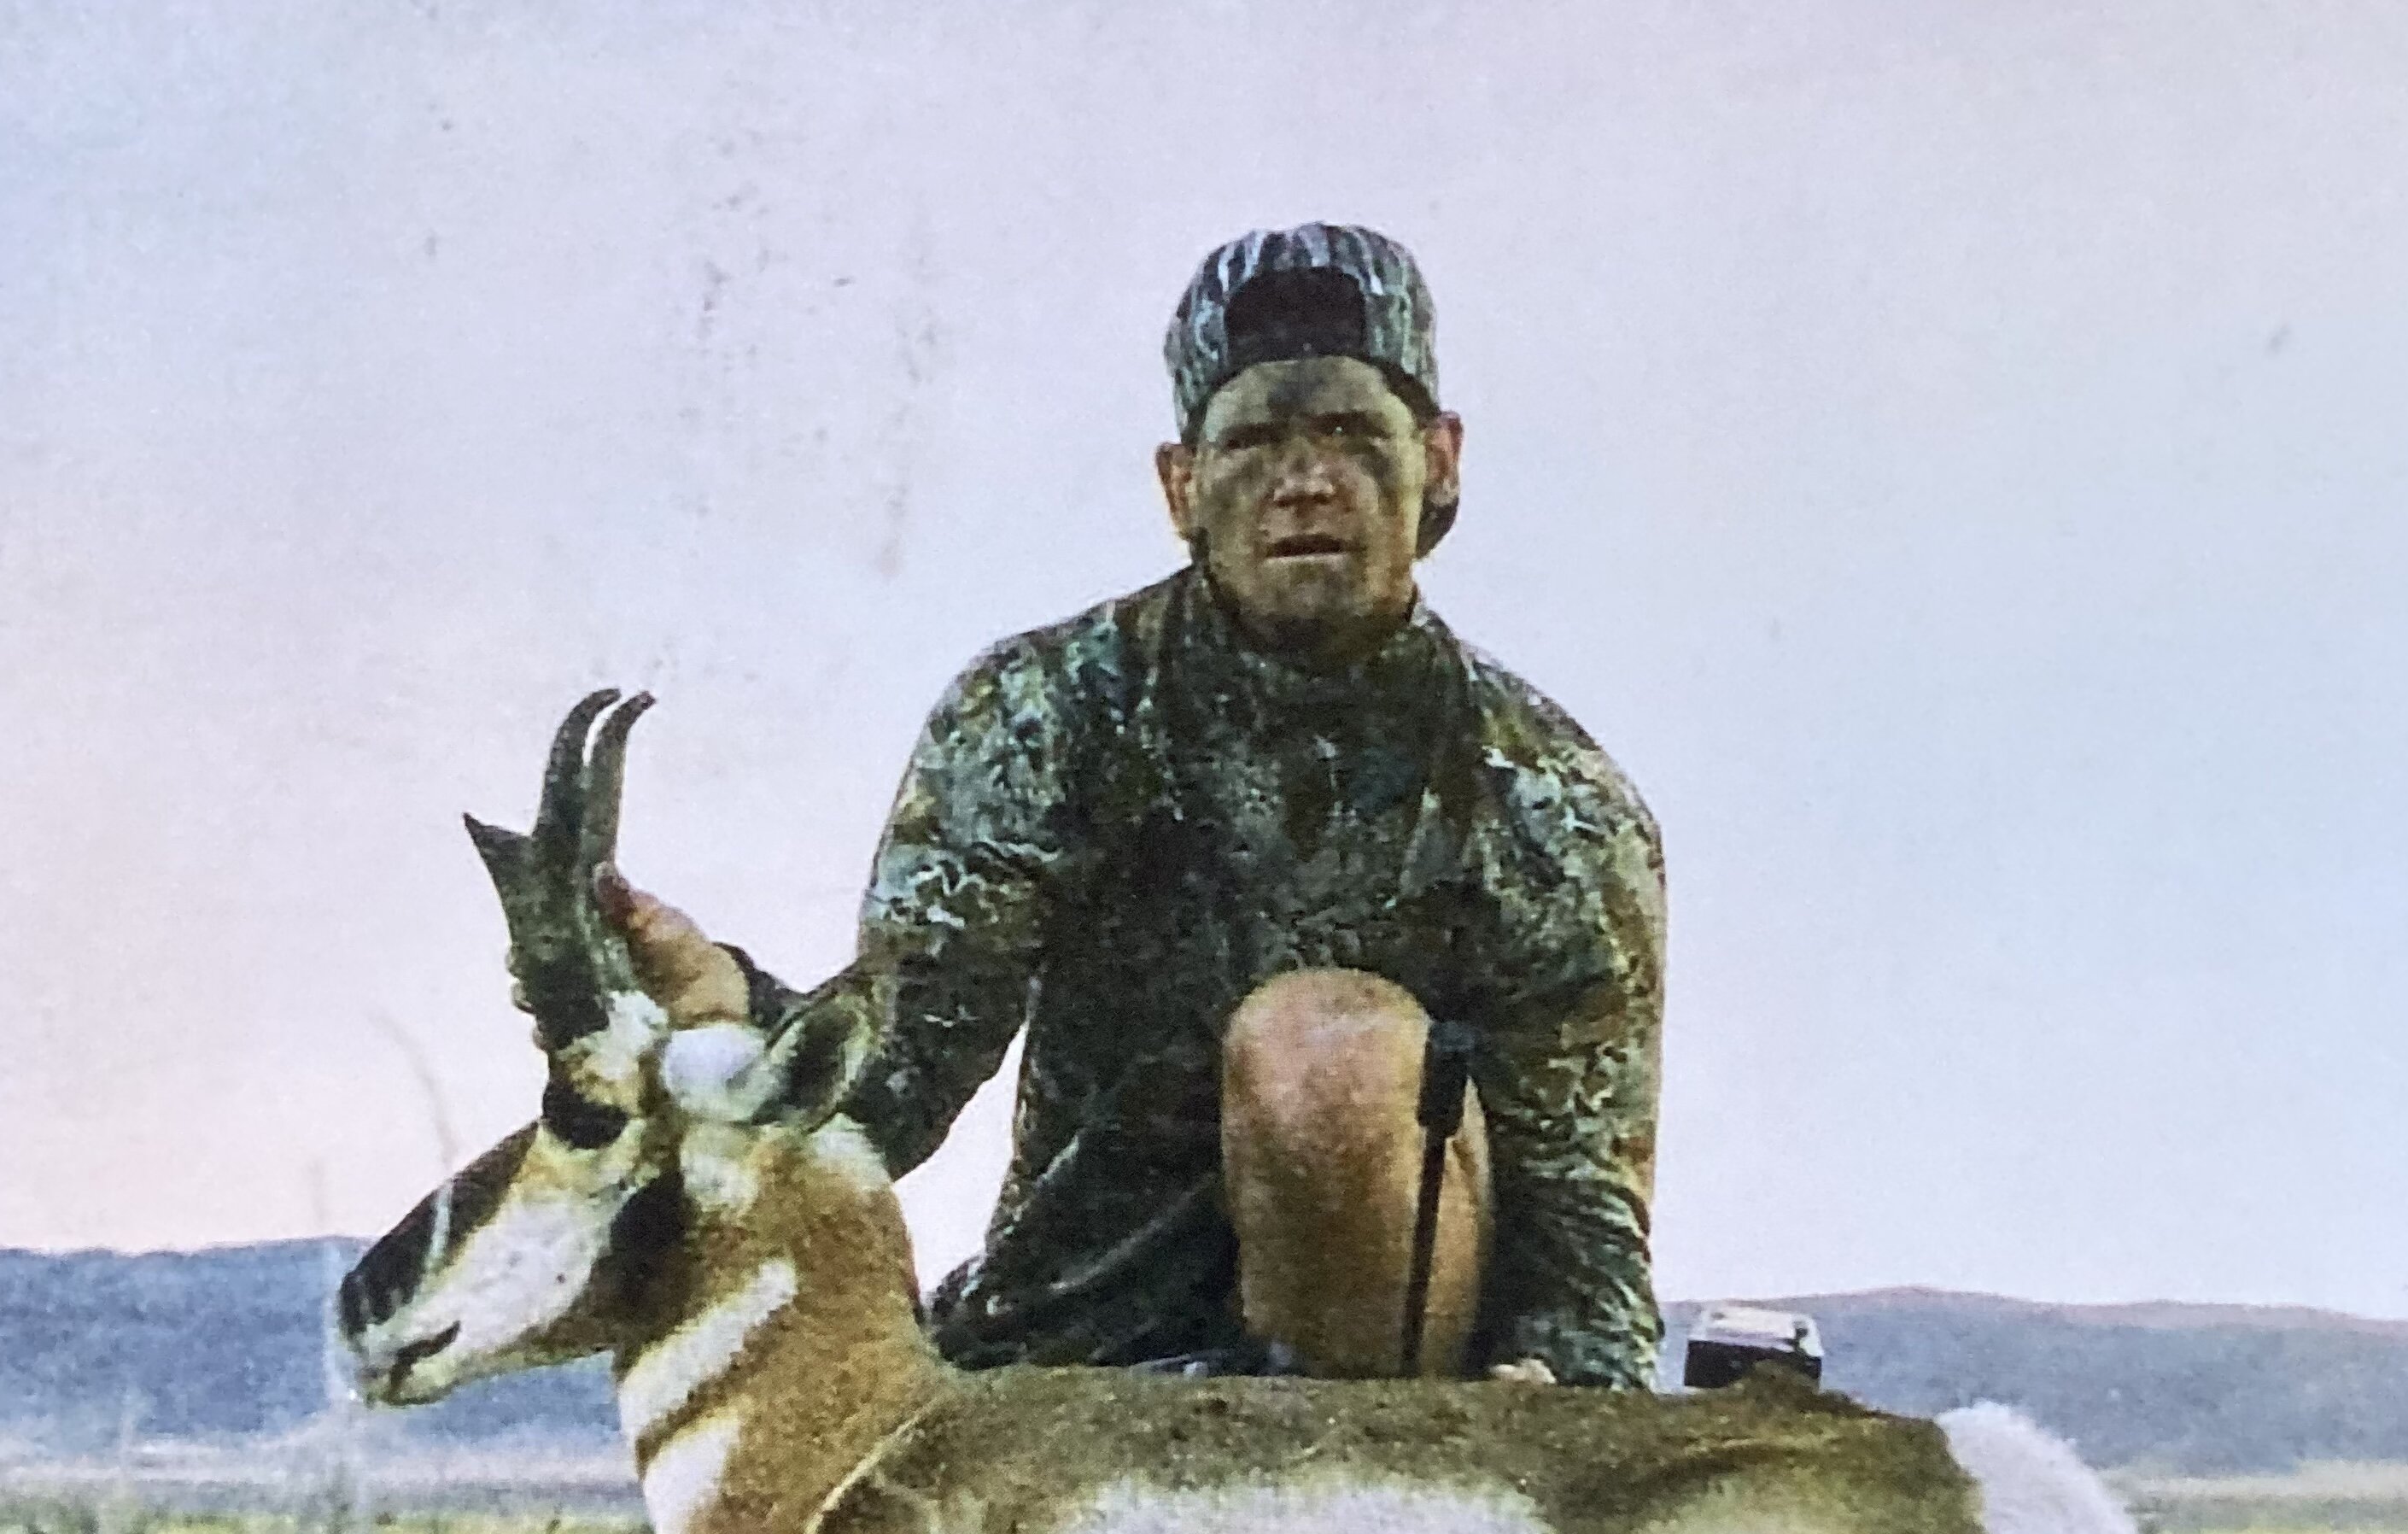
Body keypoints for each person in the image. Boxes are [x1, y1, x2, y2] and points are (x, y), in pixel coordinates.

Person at [607, 223, 1667, 1386]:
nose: (1306, 479)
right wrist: (726, 1019)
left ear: (1441, 460)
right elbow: (896, 1078)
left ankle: (1339, 1478)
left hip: (1417, 1408)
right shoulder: (1040, 717)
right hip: (1076, 1358)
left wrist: (1560, 1408)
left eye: (1354, 433)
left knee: (1330, 1055)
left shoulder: (1555, 810)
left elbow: (1586, 1235)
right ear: (1181, 485)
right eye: (1254, 439)